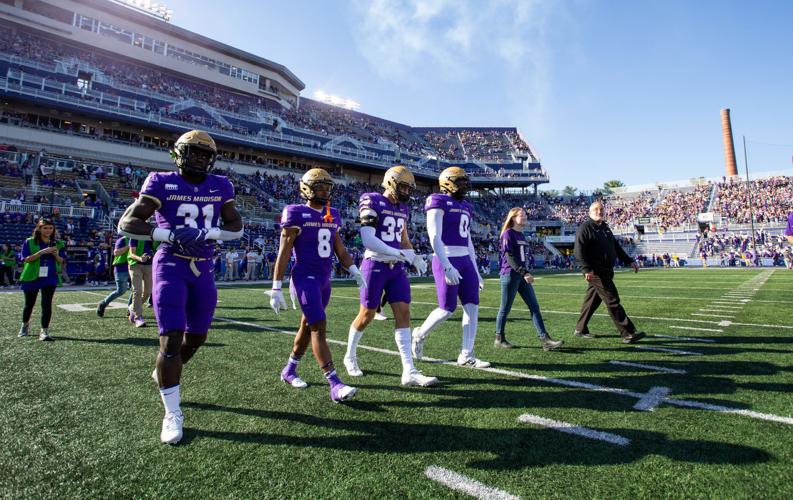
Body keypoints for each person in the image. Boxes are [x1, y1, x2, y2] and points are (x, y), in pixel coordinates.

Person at [118, 130, 243, 444]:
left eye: (205, 154)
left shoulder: (221, 185)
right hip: (171, 263)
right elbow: (128, 223)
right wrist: (169, 235)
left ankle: (163, 371)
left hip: (203, 267)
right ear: (179, 153)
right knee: (172, 337)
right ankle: (172, 411)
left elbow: (236, 227)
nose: (200, 158)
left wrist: (206, 234)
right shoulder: (160, 181)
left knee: (197, 336)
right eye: (194, 152)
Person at [269, 168, 365, 402]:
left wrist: (354, 269)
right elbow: (284, 253)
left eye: (327, 187)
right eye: (319, 187)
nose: (324, 191)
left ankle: (289, 370)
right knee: (318, 326)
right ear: (306, 188)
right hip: (305, 276)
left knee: (307, 325)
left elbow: (339, 248)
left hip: (324, 278)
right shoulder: (295, 212)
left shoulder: (333, 213)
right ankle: (334, 383)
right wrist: (276, 287)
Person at [342, 166, 437, 386]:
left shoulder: (403, 208)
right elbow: (367, 238)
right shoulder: (372, 200)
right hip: (375, 264)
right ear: (391, 182)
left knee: (404, 313)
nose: (406, 191)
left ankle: (409, 370)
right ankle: (350, 355)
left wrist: (414, 257)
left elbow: (403, 238)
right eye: (403, 186)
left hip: (396, 269)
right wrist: (398, 253)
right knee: (366, 314)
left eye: (408, 187)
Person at [411, 166, 490, 368]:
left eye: (465, 182)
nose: (465, 186)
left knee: (472, 307)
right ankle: (419, 334)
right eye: (461, 181)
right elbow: (434, 236)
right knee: (447, 309)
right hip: (446, 258)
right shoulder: (438, 200)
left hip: (465, 261)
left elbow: (468, 241)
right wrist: (446, 265)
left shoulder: (467, 206)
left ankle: (467, 354)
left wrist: (476, 270)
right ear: (448, 182)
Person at [573, 201, 645, 343]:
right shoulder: (585, 228)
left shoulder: (605, 228)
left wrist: (629, 260)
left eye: (601, 209)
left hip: (607, 270)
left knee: (591, 302)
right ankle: (627, 332)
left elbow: (616, 248)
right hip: (596, 273)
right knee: (612, 300)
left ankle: (580, 329)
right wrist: (586, 269)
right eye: (595, 209)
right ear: (589, 212)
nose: (599, 211)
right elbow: (578, 250)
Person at [494, 208, 563, 351]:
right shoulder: (508, 234)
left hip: (520, 275)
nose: (525, 217)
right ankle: (499, 338)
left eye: (525, 215)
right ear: (513, 218)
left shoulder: (521, 235)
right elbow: (509, 256)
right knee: (505, 309)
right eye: (522, 215)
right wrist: (524, 272)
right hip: (510, 275)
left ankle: (545, 339)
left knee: (534, 307)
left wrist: (524, 272)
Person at [18, 218, 66, 341]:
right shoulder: (29, 242)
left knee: (46, 304)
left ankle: (44, 331)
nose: (48, 230)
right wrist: (42, 252)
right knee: (29, 304)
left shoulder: (58, 243)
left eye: (50, 228)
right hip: (31, 276)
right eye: (45, 228)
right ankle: (25, 325)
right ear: (39, 228)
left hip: (50, 276)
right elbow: (26, 259)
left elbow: (62, 261)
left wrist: (55, 254)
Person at [96, 235, 131, 317]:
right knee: (121, 291)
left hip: (134, 267)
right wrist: (129, 246)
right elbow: (116, 252)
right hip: (122, 268)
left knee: (136, 290)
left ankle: (130, 309)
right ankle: (103, 303)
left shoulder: (138, 239)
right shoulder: (122, 240)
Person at [127, 237, 158, 327]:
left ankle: (132, 307)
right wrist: (140, 258)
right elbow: (131, 253)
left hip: (149, 265)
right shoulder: (134, 236)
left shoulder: (152, 235)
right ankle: (138, 317)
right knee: (137, 290)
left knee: (147, 292)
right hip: (135, 265)